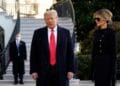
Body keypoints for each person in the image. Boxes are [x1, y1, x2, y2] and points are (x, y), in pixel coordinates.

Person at [30, 9, 75, 86]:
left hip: (61, 72)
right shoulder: (38, 33)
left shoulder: (65, 33)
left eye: (51, 18)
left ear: (56, 18)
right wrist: (34, 70)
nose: (49, 21)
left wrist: (71, 70)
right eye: (47, 19)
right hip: (43, 72)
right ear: (44, 20)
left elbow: (70, 53)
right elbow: (33, 53)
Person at [91, 9, 116, 86]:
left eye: (98, 19)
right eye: (95, 19)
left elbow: (113, 52)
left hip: (107, 64)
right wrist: (92, 69)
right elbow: (94, 51)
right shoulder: (96, 33)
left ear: (105, 19)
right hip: (98, 64)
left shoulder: (111, 33)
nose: (96, 21)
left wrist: (113, 70)